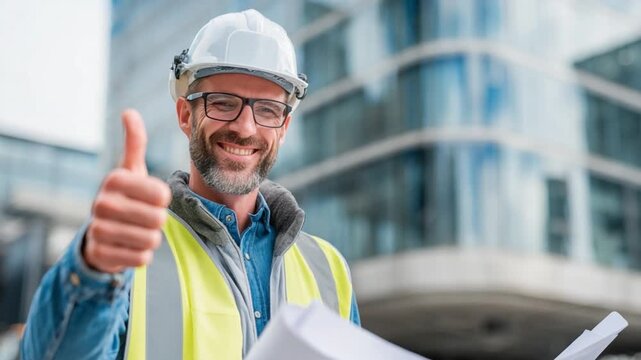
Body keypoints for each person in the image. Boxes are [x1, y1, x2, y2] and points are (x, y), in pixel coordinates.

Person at [20, 9, 359, 359]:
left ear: (284, 128)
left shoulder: (329, 270)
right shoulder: (131, 245)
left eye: (268, 110)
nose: (245, 128)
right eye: (224, 104)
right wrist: (93, 270)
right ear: (185, 115)